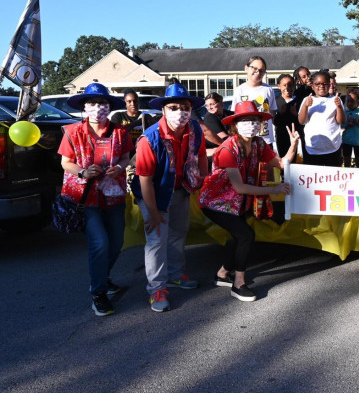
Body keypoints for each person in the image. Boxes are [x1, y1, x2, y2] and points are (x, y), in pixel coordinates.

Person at [199, 101, 299, 302]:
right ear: (235, 125)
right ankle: (239, 284)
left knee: (236, 236)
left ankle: (221, 274)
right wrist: (274, 189)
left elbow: (281, 164)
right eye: (245, 120)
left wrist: (294, 145)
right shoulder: (228, 149)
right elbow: (239, 187)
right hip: (215, 202)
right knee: (245, 235)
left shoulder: (259, 144)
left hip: (238, 202)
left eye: (254, 120)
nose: (250, 124)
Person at [131, 83, 209, 312]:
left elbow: (202, 155)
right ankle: (157, 288)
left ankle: (175, 274)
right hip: (154, 193)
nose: (180, 112)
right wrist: (153, 213)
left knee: (178, 232)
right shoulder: (150, 138)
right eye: (173, 107)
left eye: (184, 107)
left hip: (180, 189)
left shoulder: (195, 128)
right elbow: (145, 180)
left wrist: (203, 180)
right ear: (164, 110)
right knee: (157, 240)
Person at [59, 83, 133, 316]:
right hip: (86, 197)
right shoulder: (72, 132)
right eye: (92, 103)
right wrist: (82, 172)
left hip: (114, 195)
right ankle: (98, 292)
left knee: (117, 242)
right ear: (84, 107)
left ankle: (103, 277)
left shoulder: (120, 131)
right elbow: (65, 163)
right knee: (99, 243)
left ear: (109, 106)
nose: (97, 107)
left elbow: (126, 157)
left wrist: (119, 167)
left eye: (102, 103)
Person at [298, 70, 346, 166]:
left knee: (332, 177)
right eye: (317, 84)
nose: (321, 86)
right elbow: (301, 121)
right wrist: (306, 106)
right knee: (314, 178)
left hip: (333, 147)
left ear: (329, 84)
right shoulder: (307, 100)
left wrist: (339, 107)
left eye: (325, 83)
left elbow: (341, 121)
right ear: (312, 86)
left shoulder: (335, 99)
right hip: (312, 148)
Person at [230, 56, 278, 147]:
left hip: (265, 139)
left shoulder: (268, 89)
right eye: (254, 68)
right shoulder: (239, 90)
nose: (258, 72)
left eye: (262, 70)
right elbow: (235, 117)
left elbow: (272, 112)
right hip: (245, 139)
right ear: (246, 68)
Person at [274, 73, 300, 158]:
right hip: (282, 136)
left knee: (294, 160)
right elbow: (274, 122)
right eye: (284, 85)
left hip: (296, 135)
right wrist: (281, 113)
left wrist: (296, 114)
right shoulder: (275, 101)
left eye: (290, 85)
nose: (287, 88)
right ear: (279, 86)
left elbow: (303, 121)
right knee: (284, 161)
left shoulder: (298, 100)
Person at [341, 89, 359, 167]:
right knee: (347, 162)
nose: (350, 103)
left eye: (352, 101)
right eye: (348, 101)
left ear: (358, 102)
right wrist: (347, 122)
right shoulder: (344, 112)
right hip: (346, 141)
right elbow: (341, 126)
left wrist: (358, 122)